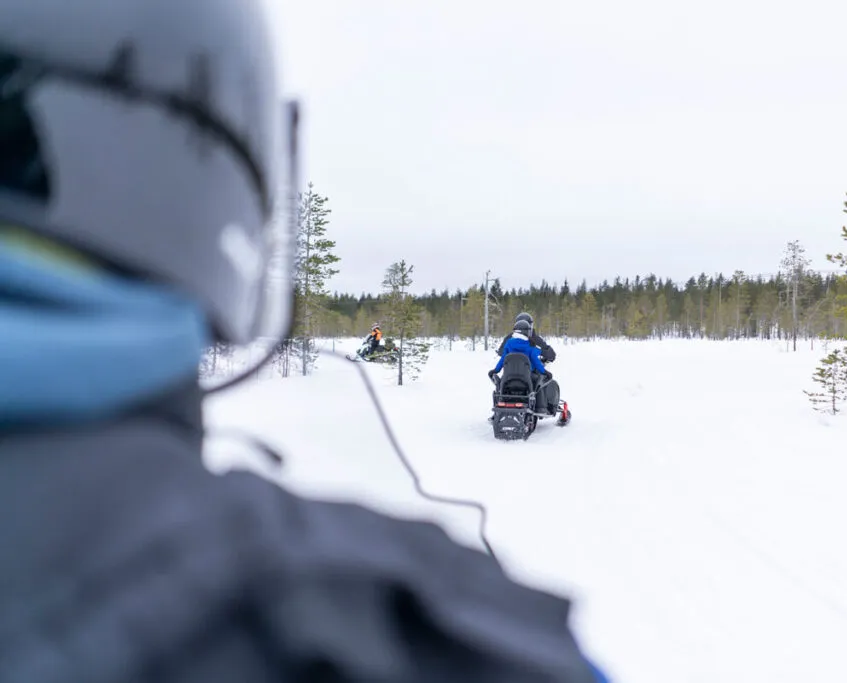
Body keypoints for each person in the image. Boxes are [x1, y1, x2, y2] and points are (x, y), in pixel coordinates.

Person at [0, 2, 606, 682]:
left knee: (543, 389)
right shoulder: (380, 631)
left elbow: (516, 363)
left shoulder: (517, 349)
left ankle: (544, 411)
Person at [491, 319, 564, 416]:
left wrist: (495, 370)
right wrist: (545, 372)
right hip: (526, 378)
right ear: (527, 332)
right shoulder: (530, 346)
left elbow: (502, 359)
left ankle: (499, 406)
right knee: (539, 382)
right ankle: (541, 408)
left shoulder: (508, 344)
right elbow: (536, 362)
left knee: (499, 385)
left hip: (508, 378)